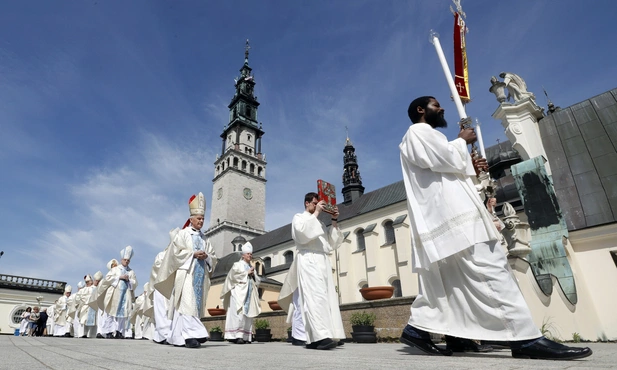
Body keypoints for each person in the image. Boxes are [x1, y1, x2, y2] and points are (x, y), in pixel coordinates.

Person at [398, 96, 592, 360]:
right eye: (436, 104)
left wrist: (469, 167)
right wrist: (461, 141)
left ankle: (445, 334)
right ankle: (524, 338)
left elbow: (442, 167)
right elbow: (441, 158)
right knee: (493, 270)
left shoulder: (425, 136)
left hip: (450, 216)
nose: (442, 107)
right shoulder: (418, 131)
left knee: (456, 281)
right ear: (421, 110)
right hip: (456, 217)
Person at [278, 192, 344, 350]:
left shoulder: (320, 223)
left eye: (318, 204)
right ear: (306, 203)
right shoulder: (299, 217)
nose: (317, 206)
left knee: (326, 298)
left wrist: (334, 220)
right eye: (315, 203)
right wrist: (316, 213)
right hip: (308, 259)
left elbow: (331, 243)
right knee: (314, 298)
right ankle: (318, 337)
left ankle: (328, 333)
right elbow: (302, 234)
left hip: (322, 261)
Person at [154, 192, 218, 349]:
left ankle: (181, 337)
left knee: (189, 306)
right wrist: (193, 254)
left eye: (203, 219)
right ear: (191, 219)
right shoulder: (183, 234)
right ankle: (194, 334)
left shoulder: (205, 239)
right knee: (187, 303)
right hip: (186, 274)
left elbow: (214, 257)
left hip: (200, 274)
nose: (201, 221)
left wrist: (207, 257)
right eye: (198, 218)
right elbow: (175, 254)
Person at [221, 241, 261, 344]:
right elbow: (232, 277)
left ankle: (246, 336)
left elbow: (258, 280)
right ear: (243, 255)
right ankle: (236, 335)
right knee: (238, 314)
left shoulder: (252, 267)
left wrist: (253, 275)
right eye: (248, 254)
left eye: (251, 254)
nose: (250, 256)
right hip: (238, 293)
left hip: (249, 293)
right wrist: (246, 273)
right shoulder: (237, 265)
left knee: (248, 314)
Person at [98, 248, 138, 339]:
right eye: (125, 260)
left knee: (122, 314)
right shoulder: (115, 269)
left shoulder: (131, 272)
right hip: (114, 294)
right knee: (111, 313)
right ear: (121, 260)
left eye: (128, 260)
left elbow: (135, 283)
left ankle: (120, 332)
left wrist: (129, 280)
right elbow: (107, 279)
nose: (126, 261)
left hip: (125, 294)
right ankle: (108, 331)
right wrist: (119, 277)